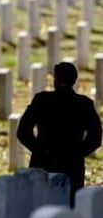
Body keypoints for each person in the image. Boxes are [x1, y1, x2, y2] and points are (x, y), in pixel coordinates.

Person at [17, 62, 102, 206]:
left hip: (42, 163)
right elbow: (95, 138)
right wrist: (77, 153)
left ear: (55, 79)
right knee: (68, 210)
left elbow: (23, 131)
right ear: (75, 80)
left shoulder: (42, 99)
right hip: (72, 166)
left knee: (39, 206)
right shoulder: (84, 104)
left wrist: (39, 150)